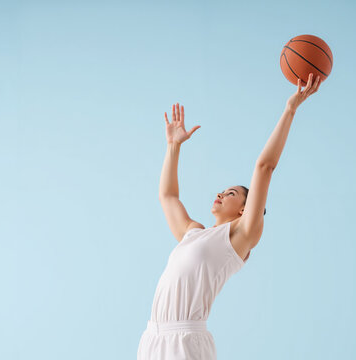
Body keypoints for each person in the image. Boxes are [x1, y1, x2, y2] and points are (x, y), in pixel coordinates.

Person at [137, 73, 322, 359]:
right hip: (152, 339)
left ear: (244, 210)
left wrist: (290, 109)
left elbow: (264, 167)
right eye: (223, 190)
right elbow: (168, 197)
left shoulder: (238, 238)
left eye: (232, 193)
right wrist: (173, 147)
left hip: (185, 342)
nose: (221, 194)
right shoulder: (193, 233)